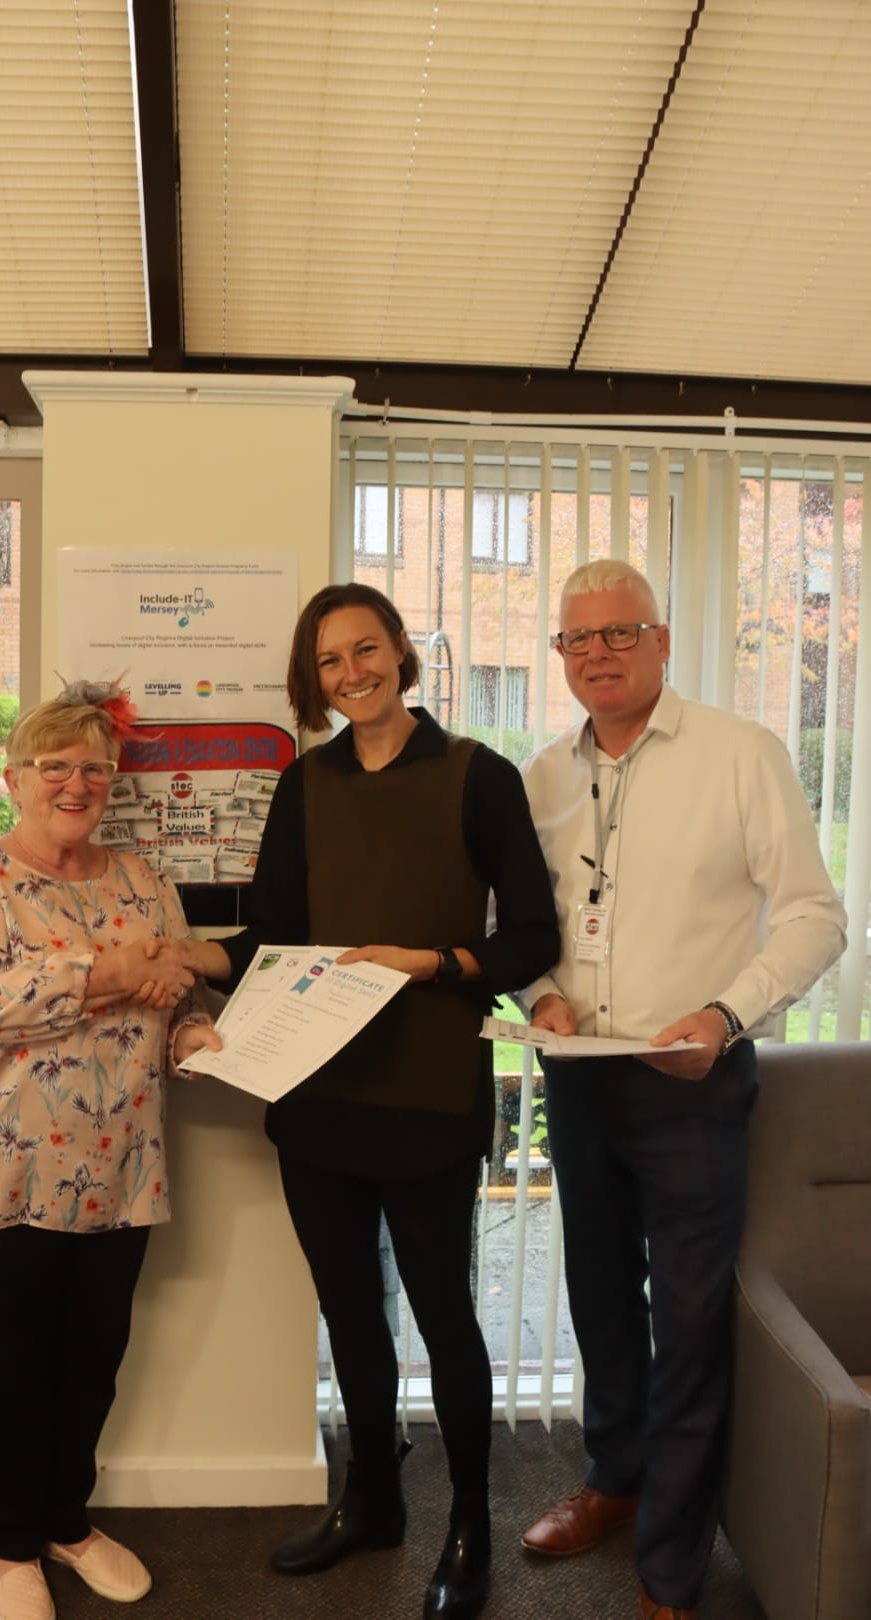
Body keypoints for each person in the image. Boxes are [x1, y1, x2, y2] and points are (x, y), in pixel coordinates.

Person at [178, 582, 560, 1620]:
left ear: (401, 650)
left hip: (429, 1093)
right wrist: (190, 972)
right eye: (331, 661)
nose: (353, 673)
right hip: (319, 1093)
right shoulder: (304, 786)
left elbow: (532, 939)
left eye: (366, 648)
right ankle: (375, 1501)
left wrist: (429, 962)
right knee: (349, 1309)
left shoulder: (480, 779)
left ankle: (469, 1521)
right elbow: (273, 939)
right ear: (317, 680)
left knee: (445, 1318)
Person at [516, 561, 847, 1620]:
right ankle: (615, 1482)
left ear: (663, 642)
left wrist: (723, 1013)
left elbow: (813, 916)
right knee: (601, 1301)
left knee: (693, 1322)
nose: (598, 653)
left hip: (694, 1084)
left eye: (622, 633)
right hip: (581, 1082)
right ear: (560, 657)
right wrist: (539, 993)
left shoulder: (741, 756)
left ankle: (671, 1560)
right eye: (578, 640)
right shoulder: (543, 777)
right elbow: (522, 922)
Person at [0, 682, 221, 1620]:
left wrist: (192, 1032)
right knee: (10, 1365)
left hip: (120, 1165)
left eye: (94, 767)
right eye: (55, 766)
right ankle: (8, 1548)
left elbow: (178, 995)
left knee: (92, 1355)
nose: (76, 783)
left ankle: (65, 1520)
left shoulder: (141, 881)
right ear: (13, 779)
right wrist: (116, 971)